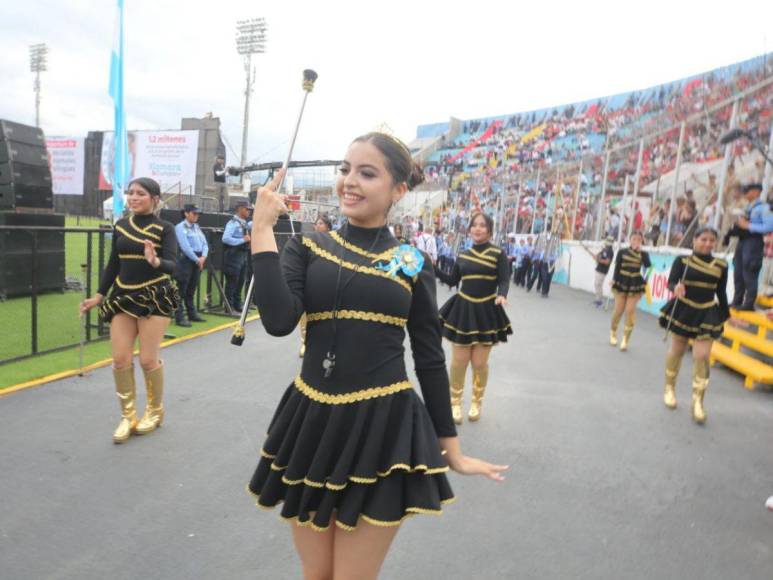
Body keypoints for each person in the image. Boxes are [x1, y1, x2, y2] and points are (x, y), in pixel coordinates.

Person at [247, 132, 507, 579]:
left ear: (398, 190)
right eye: (346, 169)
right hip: (312, 424)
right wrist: (261, 230)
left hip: (382, 432)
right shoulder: (309, 247)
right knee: (317, 573)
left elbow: (428, 358)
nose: (350, 181)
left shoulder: (411, 262)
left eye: (367, 173)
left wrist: (453, 450)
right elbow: (277, 320)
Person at [79, 177, 180, 443]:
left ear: (155, 199)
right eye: (131, 193)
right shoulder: (122, 225)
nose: (134, 198)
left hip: (155, 296)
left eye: (141, 194)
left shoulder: (165, 228)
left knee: (148, 359)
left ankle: (155, 412)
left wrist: (155, 260)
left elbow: (173, 265)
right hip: (122, 296)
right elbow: (114, 264)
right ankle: (127, 416)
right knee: (121, 359)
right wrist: (98, 296)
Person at [435, 211, 512, 423]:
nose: (478, 229)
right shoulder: (463, 255)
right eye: (474, 225)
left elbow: (504, 280)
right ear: (469, 230)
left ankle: (477, 402)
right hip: (463, 311)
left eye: (482, 225)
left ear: (489, 230)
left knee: (479, 363)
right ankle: (455, 405)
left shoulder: (498, 254)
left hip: (487, 312)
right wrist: (432, 268)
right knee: (459, 362)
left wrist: (502, 295)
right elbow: (452, 280)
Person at [658, 226, 729, 424]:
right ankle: (669, 388)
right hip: (685, 310)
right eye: (703, 239)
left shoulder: (721, 265)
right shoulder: (682, 261)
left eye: (711, 240)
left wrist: (726, 316)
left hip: (707, 311)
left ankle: (698, 401)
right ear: (694, 240)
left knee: (702, 355)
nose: (707, 243)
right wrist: (676, 287)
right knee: (677, 350)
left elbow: (721, 293)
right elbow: (671, 282)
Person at [729, 183, 773, 310]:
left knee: (749, 272)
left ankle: (748, 304)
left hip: (754, 242)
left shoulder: (764, 208)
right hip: (743, 241)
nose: (745, 193)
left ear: (756, 192)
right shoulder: (748, 207)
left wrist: (748, 226)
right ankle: (737, 300)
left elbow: (769, 226)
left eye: (747, 190)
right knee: (738, 271)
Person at [609, 230, 651, 351]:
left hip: (635, 283)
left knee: (630, 311)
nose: (636, 242)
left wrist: (641, 252)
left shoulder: (644, 253)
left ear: (642, 241)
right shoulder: (622, 252)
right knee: (618, 310)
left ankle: (625, 340)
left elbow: (648, 266)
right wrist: (614, 279)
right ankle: (613, 332)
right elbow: (617, 267)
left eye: (639, 239)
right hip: (621, 281)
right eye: (634, 239)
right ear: (630, 240)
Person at [298, 214, 332, 357]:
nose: (317, 226)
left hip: (328, 284)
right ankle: (305, 343)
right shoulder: (308, 240)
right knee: (305, 315)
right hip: (309, 283)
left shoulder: (334, 243)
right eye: (316, 223)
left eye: (320, 223)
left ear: (327, 227)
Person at [174, 204, 208, 327]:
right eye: (194, 213)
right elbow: (185, 247)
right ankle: (179, 316)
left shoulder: (196, 227)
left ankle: (192, 314)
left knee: (191, 289)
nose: (196, 216)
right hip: (186, 260)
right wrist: (197, 259)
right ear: (186, 213)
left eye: (197, 214)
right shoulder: (180, 227)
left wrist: (203, 257)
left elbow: (205, 243)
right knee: (181, 289)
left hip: (198, 259)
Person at [222, 200, 252, 311]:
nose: (249, 211)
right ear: (240, 208)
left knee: (241, 281)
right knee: (232, 282)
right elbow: (225, 238)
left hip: (242, 255)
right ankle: (229, 307)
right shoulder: (233, 223)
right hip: (233, 256)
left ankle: (237, 305)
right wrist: (242, 239)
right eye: (247, 209)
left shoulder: (244, 223)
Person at [592, 237, 615, 306]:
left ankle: (599, 300)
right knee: (597, 284)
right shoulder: (605, 249)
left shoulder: (610, 251)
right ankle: (598, 299)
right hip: (599, 268)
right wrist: (596, 257)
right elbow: (598, 256)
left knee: (598, 284)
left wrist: (598, 259)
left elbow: (607, 262)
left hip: (603, 270)